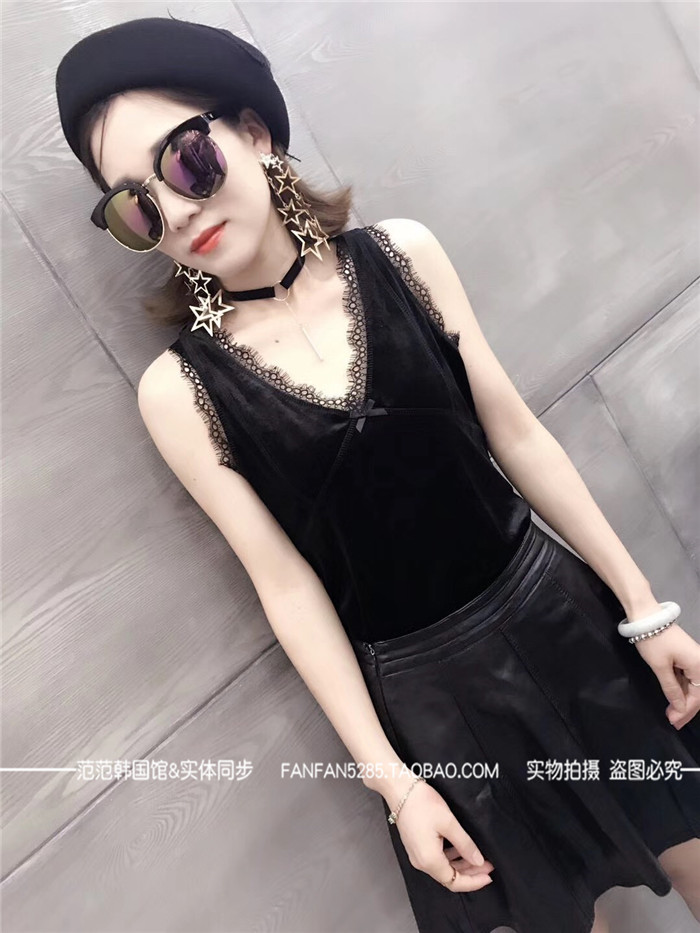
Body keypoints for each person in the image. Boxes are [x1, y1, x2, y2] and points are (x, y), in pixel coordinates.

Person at [54, 16, 700, 933]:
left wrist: (643, 606)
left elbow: (516, 436)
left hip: (563, 618)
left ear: (254, 131)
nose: (180, 211)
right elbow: (288, 589)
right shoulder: (180, 393)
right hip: (433, 706)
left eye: (186, 161)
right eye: (138, 207)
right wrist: (395, 785)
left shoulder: (403, 254)